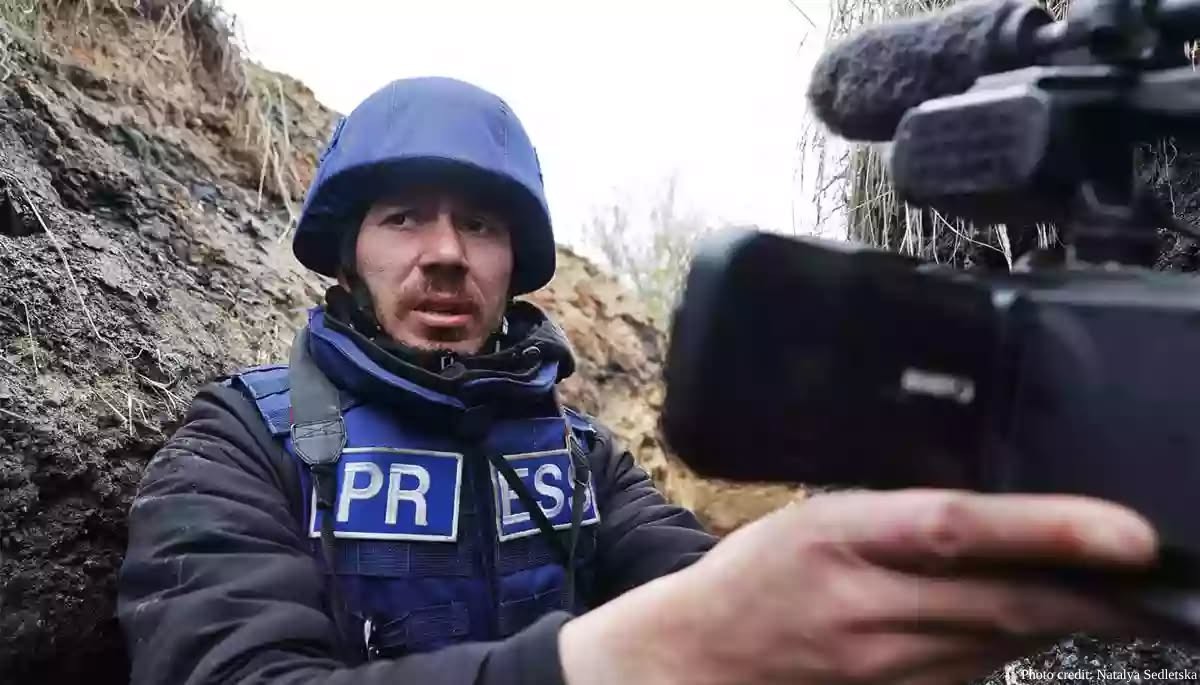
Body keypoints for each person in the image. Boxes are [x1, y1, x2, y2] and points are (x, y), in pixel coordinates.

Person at [117, 76, 1170, 685]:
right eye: (404, 218)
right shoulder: (238, 445)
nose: (445, 253)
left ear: (512, 261)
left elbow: (706, 583)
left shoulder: (578, 456)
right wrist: (610, 661)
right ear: (349, 254)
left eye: (479, 223)